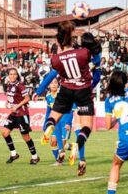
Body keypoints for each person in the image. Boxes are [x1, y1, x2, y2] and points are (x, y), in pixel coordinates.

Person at [36, 22, 101, 176]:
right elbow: (96, 61)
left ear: (59, 43)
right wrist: (92, 45)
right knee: (86, 127)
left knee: (53, 116)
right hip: (83, 91)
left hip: (65, 91)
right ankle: (77, 145)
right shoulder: (84, 53)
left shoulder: (56, 60)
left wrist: (39, 90)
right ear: (72, 40)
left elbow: (51, 74)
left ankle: (49, 127)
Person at [1, 68, 40, 165]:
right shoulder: (9, 84)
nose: (13, 76)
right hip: (14, 114)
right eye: (11, 74)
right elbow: (12, 97)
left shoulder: (20, 85)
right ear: (8, 75)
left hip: (22, 114)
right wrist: (7, 101)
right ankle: (14, 154)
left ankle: (35, 157)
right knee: (5, 132)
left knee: (26, 137)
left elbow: (27, 98)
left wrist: (17, 106)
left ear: (17, 75)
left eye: (14, 74)